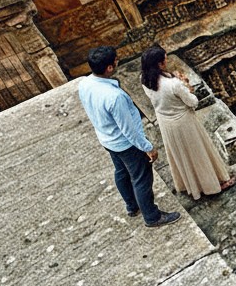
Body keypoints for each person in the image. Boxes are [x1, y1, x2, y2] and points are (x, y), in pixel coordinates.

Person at [77, 46, 180, 228]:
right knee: (142, 179)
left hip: (107, 139)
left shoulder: (85, 83)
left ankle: (132, 206)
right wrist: (148, 147)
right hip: (125, 144)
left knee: (121, 172)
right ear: (109, 67)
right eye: (115, 60)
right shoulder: (115, 97)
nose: (118, 61)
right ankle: (152, 217)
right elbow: (129, 130)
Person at [141, 45, 236, 201]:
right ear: (159, 64)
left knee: (181, 155)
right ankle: (212, 186)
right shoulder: (173, 84)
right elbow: (193, 102)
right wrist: (186, 85)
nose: (166, 62)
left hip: (166, 122)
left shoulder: (145, 80)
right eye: (165, 60)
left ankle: (190, 185)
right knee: (197, 153)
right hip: (183, 122)